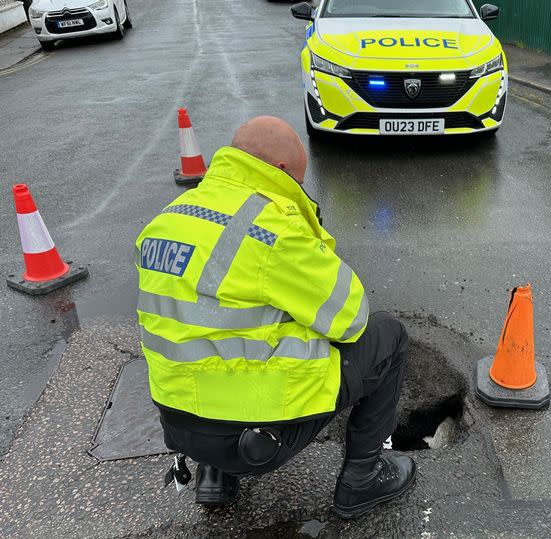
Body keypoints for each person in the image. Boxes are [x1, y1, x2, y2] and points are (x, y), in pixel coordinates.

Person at [134, 116, 415, 519]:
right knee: (388, 333)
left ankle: (213, 477)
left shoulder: (165, 221)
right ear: (280, 171)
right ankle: (363, 477)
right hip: (255, 440)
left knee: (211, 333)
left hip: (179, 427)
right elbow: (350, 317)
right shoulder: (271, 230)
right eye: (298, 181)